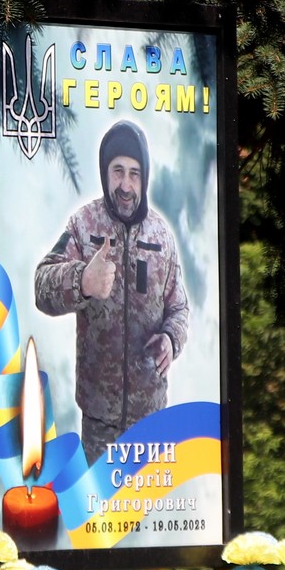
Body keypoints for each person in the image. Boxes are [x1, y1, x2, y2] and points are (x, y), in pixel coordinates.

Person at [34, 120, 190, 464]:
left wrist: (170, 339)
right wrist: (82, 281)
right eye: (117, 170)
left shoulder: (162, 236)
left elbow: (179, 309)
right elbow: (41, 285)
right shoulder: (83, 225)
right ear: (105, 173)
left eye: (134, 173)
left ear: (144, 178)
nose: (125, 185)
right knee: (100, 501)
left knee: (144, 501)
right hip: (98, 423)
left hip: (150, 423)